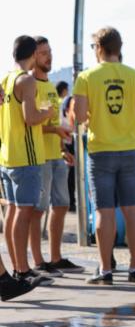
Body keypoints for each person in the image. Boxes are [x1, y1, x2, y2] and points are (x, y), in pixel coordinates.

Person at [74, 27, 135, 284]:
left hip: (100, 151)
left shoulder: (86, 77)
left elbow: (78, 117)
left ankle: (106, 269)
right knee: (133, 209)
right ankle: (134, 267)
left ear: (98, 47)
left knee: (103, 212)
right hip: (131, 149)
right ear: (119, 48)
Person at [1, 35, 54, 286]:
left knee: (12, 212)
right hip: (26, 155)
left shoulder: (6, 79)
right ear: (33, 54)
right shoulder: (27, 79)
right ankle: (22, 269)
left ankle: (18, 268)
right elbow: (31, 118)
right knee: (23, 212)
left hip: (7, 154)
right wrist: (49, 113)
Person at [31, 37, 83, 276]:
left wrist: (62, 148)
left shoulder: (50, 87)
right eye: (43, 53)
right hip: (38, 157)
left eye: (49, 51)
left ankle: (55, 257)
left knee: (61, 205)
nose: (48, 56)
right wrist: (55, 130)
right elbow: (30, 124)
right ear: (32, 56)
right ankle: (38, 261)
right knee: (37, 209)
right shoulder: (29, 85)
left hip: (55, 155)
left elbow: (51, 121)